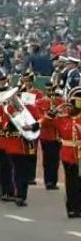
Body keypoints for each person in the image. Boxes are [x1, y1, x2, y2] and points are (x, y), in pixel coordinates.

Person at [54, 86, 81, 217]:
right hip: (68, 155)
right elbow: (46, 123)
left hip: (80, 155)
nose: (70, 108)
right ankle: (71, 208)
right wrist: (54, 112)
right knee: (71, 183)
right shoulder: (62, 118)